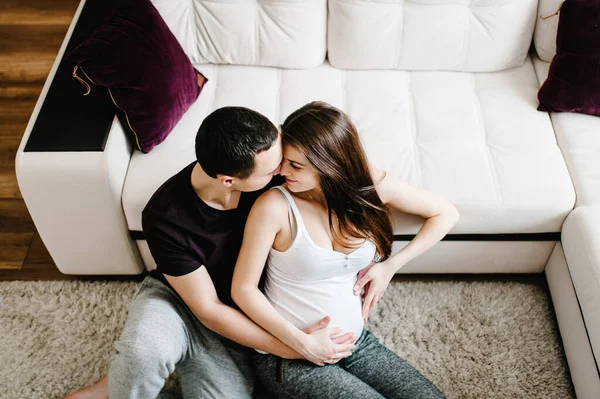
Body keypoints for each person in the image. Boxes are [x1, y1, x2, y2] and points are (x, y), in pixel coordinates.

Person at [65, 106, 357, 399]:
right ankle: (120, 383)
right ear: (227, 180)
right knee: (142, 354)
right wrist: (297, 348)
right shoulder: (164, 215)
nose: (282, 171)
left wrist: (385, 264)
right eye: (272, 171)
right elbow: (208, 310)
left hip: (240, 319)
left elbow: (355, 174)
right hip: (178, 300)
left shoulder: (274, 168)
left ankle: (120, 382)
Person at [231, 101, 459, 398]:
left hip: (356, 342)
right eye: (285, 160)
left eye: (295, 165)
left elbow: (445, 214)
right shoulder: (274, 206)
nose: (281, 170)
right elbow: (243, 290)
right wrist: (302, 344)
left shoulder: (367, 183)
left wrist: (390, 266)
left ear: (329, 164)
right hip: (290, 355)